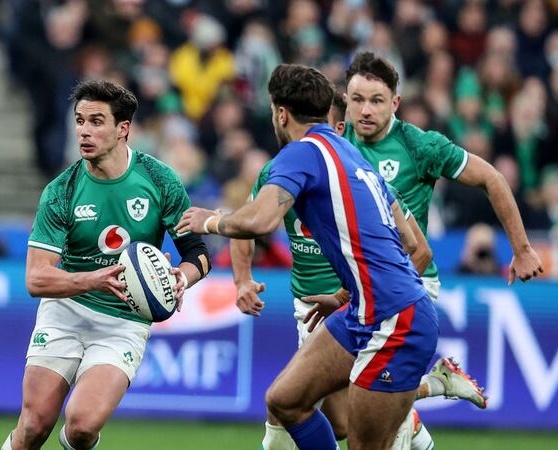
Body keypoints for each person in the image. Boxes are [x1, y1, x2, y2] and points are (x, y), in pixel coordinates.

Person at [177, 64, 437, 450]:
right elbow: (413, 243)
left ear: (281, 113)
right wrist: (350, 294)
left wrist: (209, 220)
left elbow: (261, 219)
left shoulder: (299, 154)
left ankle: (427, 391)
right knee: (285, 400)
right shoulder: (350, 153)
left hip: (395, 319)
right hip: (364, 310)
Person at [230, 93, 486, 450]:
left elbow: (420, 250)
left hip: (366, 312)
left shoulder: (364, 178)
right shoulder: (283, 173)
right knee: (317, 415)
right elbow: (249, 225)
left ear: (337, 129)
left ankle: (416, 397)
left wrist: (359, 293)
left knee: (341, 421)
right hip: (316, 312)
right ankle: (425, 391)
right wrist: (242, 279)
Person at [1, 80, 211, 450]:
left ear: (122, 129)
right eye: (80, 120)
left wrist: (181, 278)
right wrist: (94, 279)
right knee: (34, 426)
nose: (84, 130)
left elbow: (197, 251)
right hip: (65, 312)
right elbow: (37, 278)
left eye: (97, 121)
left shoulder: (159, 180)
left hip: (123, 322)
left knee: (81, 427)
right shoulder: (61, 190)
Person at [343, 51, 542, 299]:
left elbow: (493, 178)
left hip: (409, 281)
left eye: (377, 101)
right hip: (356, 282)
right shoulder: (336, 140)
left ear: (395, 103)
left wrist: (521, 249)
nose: (365, 110)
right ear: (346, 100)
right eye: (357, 100)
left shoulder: (420, 146)